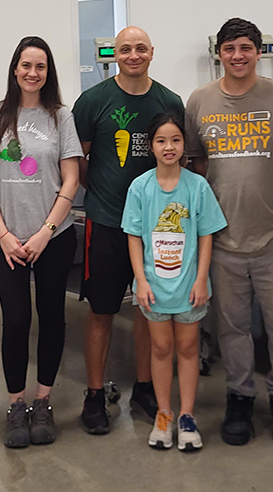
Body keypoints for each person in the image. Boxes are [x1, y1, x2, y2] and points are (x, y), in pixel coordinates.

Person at [185, 17, 273, 446]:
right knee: (232, 330)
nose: (237, 56)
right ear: (218, 53)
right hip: (222, 240)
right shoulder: (200, 101)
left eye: (246, 47)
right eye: (229, 48)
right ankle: (239, 397)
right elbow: (198, 163)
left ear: (259, 52)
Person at [72, 26, 185, 433]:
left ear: (152, 52)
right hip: (105, 221)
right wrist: (101, 191)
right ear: (113, 55)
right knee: (101, 311)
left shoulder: (169, 101)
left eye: (140, 48)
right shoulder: (93, 101)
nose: (133, 55)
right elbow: (77, 159)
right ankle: (95, 395)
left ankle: (144, 388)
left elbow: (177, 159)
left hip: (157, 229)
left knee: (147, 309)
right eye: (125, 49)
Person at [0, 36, 83, 448]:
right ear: (14, 69)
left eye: (40, 66)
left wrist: (45, 231)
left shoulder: (61, 117)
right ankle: (16, 405)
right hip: (8, 240)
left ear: (47, 72)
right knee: (16, 321)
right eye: (25, 65)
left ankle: (43, 402)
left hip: (52, 237)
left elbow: (71, 178)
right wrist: (2, 233)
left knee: (52, 317)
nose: (32, 73)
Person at [123, 113, 227, 452]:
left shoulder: (197, 186)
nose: (169, 147)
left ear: (184, 145)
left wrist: (201, 280)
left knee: (187, 349)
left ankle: (186, 416)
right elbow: (135, 237)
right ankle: (163, 414)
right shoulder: (140, 187)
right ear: (151, 146)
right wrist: (140, 280)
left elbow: (207, 235)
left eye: (176, 140)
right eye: (161, 140)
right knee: (161, 349)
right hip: (154, 289)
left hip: (189, 289)